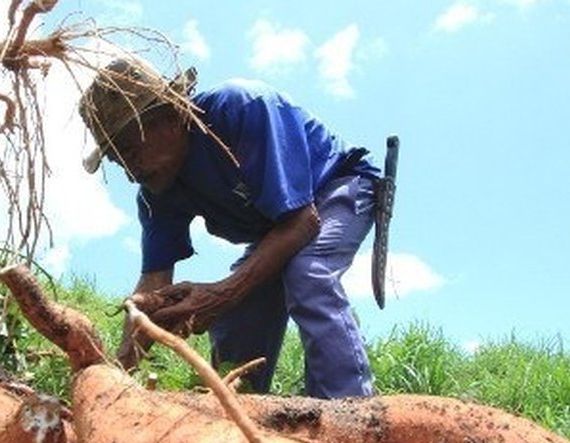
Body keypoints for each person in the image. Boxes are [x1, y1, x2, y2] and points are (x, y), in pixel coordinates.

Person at [78, 57, 380, 398]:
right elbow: (153, 285)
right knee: (236, 312)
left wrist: (222, 293)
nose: (132, 172)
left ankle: (352, 411)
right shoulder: (157, 193)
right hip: (278, 228)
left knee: (306, 273)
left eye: (132, 152)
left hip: (334, 186)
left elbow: (301, 222)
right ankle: (235, 417)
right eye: (120, 163)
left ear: (173, 117)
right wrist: (117, 373)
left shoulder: (239, 109)